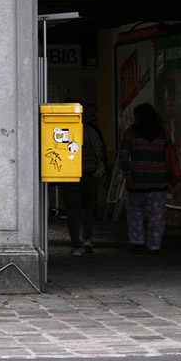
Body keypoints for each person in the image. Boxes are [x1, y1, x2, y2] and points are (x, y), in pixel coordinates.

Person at [118, 102, 170, 255]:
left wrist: (127, 173)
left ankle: (137, 242)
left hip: (137, 179)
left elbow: (123, 155)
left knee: (135, 211)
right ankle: (154, 245)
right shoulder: (163, 133)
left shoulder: (131, 132)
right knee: (157, 214)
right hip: (159, 180)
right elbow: (170, 154)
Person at [61, 100, 107, 256]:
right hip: (88, 174)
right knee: (87, 207)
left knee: (72, 210)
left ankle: (75, 245)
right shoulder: (88, 130)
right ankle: (87, 238)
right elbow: (99, 151)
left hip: (68, 174)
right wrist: (100, 172)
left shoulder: (59, 130)